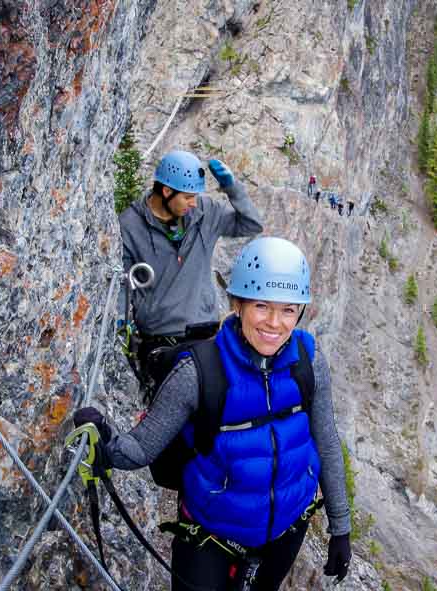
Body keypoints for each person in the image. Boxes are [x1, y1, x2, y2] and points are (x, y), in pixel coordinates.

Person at [74, 237, 352, 591]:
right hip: (210, 537)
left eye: (288, 310)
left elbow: (326, 442)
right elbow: (143, 448)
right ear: (238, 304)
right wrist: (104, 443)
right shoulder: (198, 372)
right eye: (262, 306)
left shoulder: (308, 361)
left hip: (285, 532)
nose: (275, 323)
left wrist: (340, 527)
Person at [119, 149, 263, 383]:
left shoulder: (204, 213)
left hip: (206, 331)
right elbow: (122, 285)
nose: (193, 203)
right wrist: (120, 324)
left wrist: (232, 187)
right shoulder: (130, 226)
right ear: (166, 191)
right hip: (161, 338)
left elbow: (251, 224)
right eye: (187, 197)